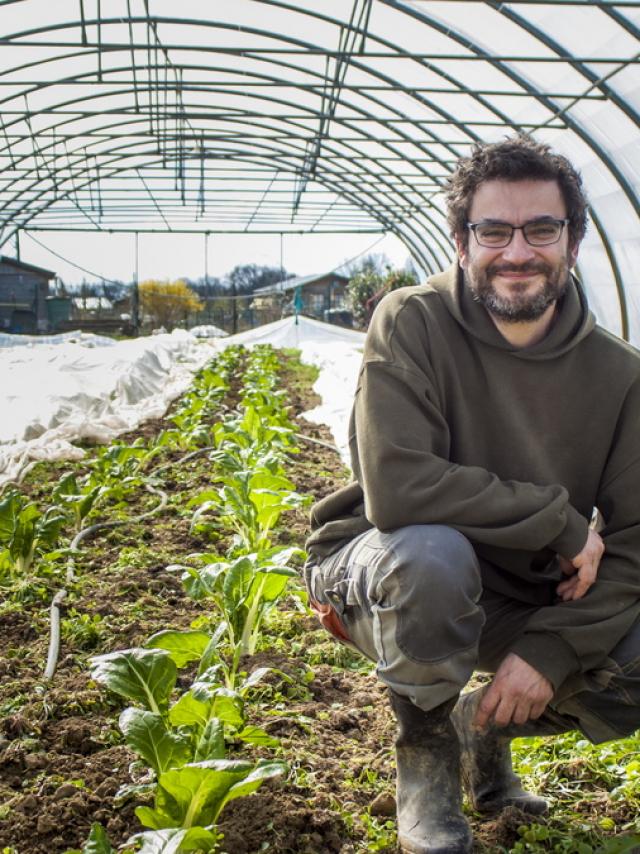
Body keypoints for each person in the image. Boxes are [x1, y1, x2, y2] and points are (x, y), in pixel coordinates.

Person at [304, 135, 640, 854]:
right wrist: (559, 521)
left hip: (518, 593)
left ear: (573, 243)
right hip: (383, 565)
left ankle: (479, 724)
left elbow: (638, 543)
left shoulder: (620, 376)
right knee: (433, 556)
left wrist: (550, 652)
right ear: (461, 240)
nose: (517, 251)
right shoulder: (412, 320)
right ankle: (426, 762)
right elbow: (397, 489)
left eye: (541, 229)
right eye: (494, 230)